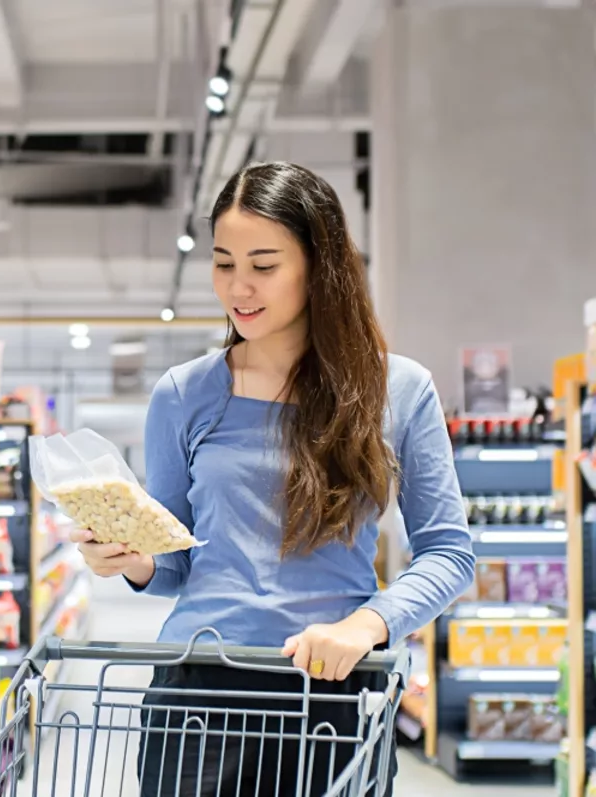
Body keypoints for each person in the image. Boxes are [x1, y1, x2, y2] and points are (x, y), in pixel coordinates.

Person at [71, 162, 474, 795]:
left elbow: (450, 553)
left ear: (319, 267)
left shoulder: (398, 390)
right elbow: (176, 564)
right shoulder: (183, 395)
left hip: (331, 695)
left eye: (264, 265)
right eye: (223, 262)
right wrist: (130, 559)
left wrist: (365, 626)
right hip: (196, 694)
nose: (238, 287)